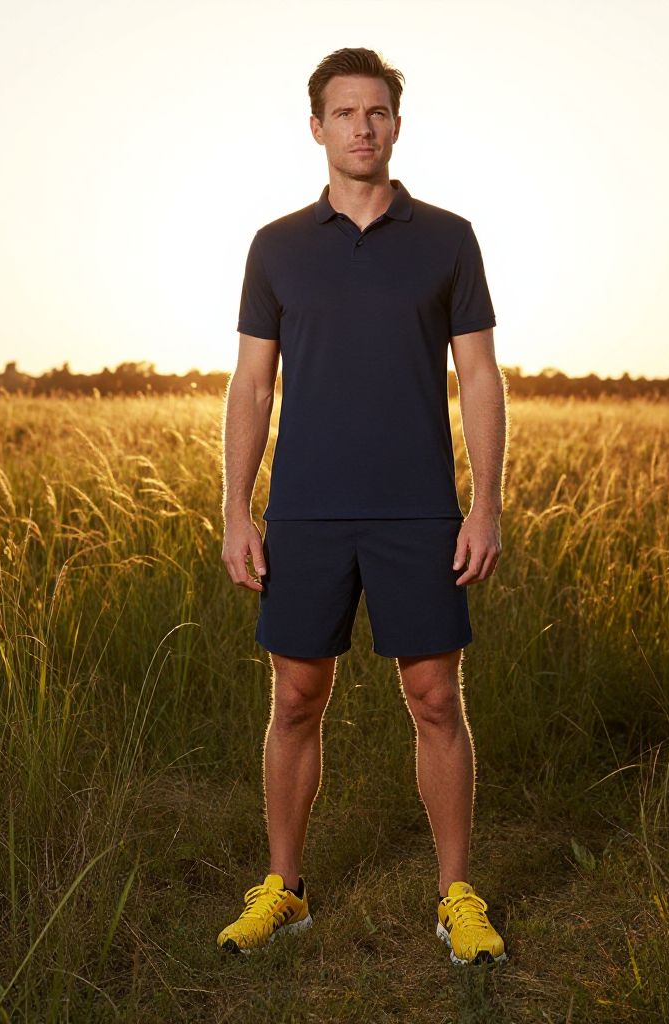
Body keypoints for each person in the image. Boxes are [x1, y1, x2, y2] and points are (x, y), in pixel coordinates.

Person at [218, 46, 508, 966]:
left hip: (419, 508)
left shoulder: (448, 238)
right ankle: (286, 890)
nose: (362, 127)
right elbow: (252, 387)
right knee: (296, 696)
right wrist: (236, 508)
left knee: (434, 697)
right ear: (318, 127)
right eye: (344, 113)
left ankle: (457, 896)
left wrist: (486, 504)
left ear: (396, 123)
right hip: (304, 509)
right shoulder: (275, 246)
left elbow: (482, 377)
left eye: (377, 111)